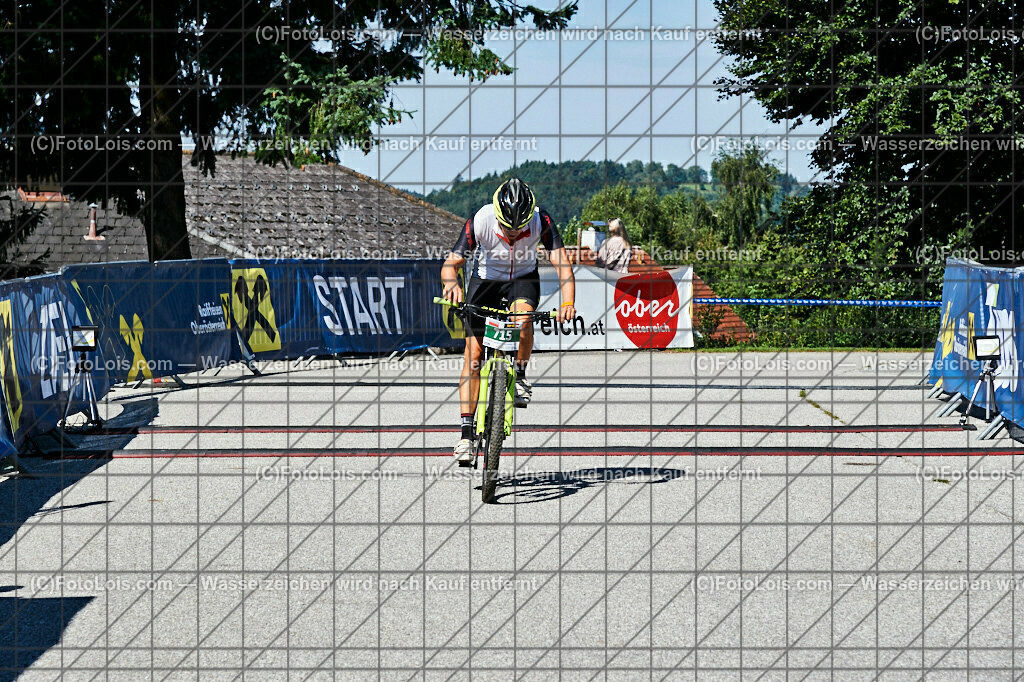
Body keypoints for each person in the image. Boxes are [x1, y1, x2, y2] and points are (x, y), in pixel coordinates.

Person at [441, 178, 576, 463]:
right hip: (486, 280)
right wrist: (451, 283)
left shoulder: (542, 220)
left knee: (524, 320)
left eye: (519, 228)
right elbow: (451, 264)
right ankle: (466, 434)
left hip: (522, 279)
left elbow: (562, 264)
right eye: (507, 227)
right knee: (473, 355)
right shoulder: (481, 219)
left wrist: (567, 302)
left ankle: (521, 375)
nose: (513, 234)